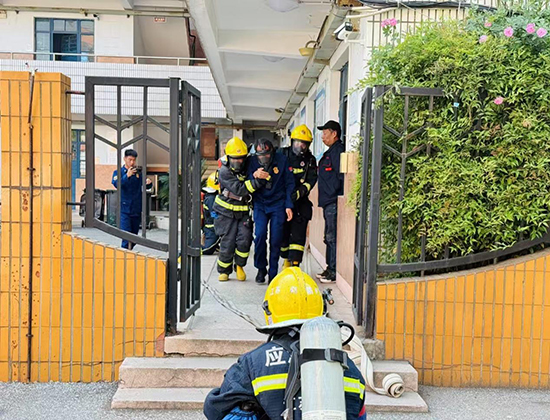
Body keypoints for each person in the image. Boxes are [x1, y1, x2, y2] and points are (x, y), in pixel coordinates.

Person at [203, 267, 367, 420]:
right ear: (321, 308)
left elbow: (214, 410)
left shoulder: (253, 362)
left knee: (240, 409)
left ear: (269, 310)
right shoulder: (348, 366)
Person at [214, 137, 265, 282]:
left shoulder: (249, 164)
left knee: (245, 240)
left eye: (241, 158)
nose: (238, 162)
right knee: (228, 242)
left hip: (243, 211)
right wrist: (257, 181)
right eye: (235, 159)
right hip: (225, 211)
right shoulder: (224, 171)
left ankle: (240, 266)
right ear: (228, 157)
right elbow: (240, 189)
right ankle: (224, 271)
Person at [248, 139, 294, 284]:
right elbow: (246, 180)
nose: (263, 158)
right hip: (260, 203)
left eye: (266, 155)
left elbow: (289, 183)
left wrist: (288, 205)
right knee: (260, 235)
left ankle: (273, 273)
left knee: (276, 239)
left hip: (278, 203)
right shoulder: (252, 161)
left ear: (272, 153)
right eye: (260, 156)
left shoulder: (282, 160)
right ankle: (261, 268)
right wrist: (254, 175)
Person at [280, 125, 318, 268]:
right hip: (283, 201)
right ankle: (285, 260)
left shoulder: (310, 160)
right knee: (283, 233)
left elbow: (311, 180)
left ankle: (295, 264)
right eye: (297, 142)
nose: (300, 146)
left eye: (304, 144)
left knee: (298, 234)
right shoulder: (282, 154)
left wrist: (299, 192)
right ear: (292, 141)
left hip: (300, 202)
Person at [316, 120, 345, 283]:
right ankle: (329, 268)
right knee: (328, 237)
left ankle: (333, 271)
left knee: (332, 237)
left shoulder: (338, 151)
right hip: (327, 202)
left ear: (334, 134)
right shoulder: (330, 152)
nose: (322, 136)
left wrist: (337, 195)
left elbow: (342, 177)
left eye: (325, 133)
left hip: (333, 202)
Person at [111, 149, 152, 250]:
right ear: (125, 159)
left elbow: (145, 185)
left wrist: (148, 183)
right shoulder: (118, 172)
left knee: (134, 237)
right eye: (130, 160)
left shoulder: (138, 173)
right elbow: (117, 184)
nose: (132, 162)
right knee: (126, 236)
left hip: (136, 209)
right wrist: (127, 176)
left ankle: (129, 251)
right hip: (124, 209)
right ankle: (125, 255)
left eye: (134, 160)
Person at [202, 171, 221, 255]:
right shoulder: (211, 199)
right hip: (212, 229)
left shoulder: (212, 196)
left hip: (215, 227)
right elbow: (213, 213)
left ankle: (216, 245)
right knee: (207, 250)